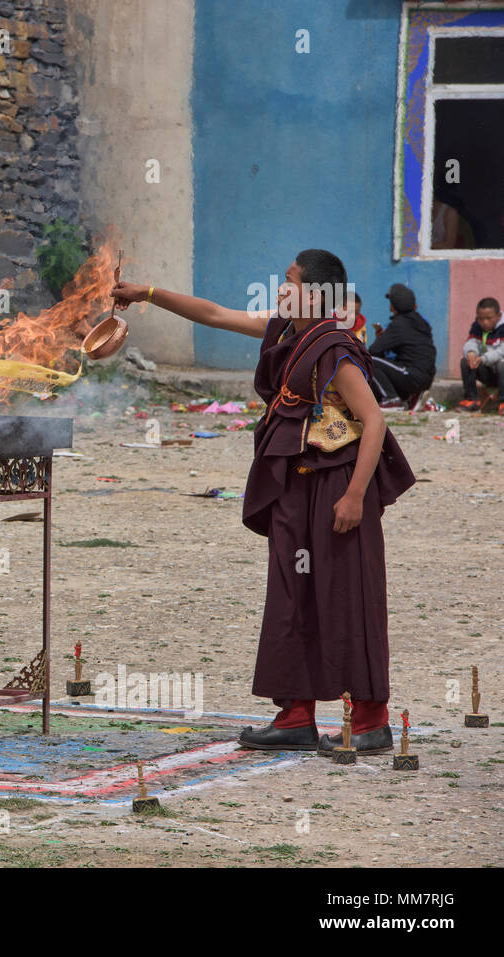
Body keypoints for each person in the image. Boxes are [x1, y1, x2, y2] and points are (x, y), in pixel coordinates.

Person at [111, 249, 415, 754]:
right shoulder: (284, 332)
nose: (281, 290)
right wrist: (145, 294)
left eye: (291, 282)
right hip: (294, 486)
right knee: (291, 596)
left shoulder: (334, 349)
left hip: (337, 484)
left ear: (316, 294)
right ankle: (296, 715)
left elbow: (375, 421)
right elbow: (213, 314)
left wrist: (357, 496)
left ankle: (370, 720)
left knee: (345, 593)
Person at [367, 283, 437, 408]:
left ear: (394, 306)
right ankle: (409, 397)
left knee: (368, 360)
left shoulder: (399, 324)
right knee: (386, 364)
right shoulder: (419, 321)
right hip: (426, 376)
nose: (389, 308)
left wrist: (381, 339)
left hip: (412, 374)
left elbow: (374, 350)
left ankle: (391, 399)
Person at [458, 297, 504, 412]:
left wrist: (483, 359)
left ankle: (502, 402)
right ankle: (471, 399)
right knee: (465, 361)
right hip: (488, 372)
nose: (485, 322)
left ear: (498, 316)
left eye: (489, 318)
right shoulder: (477, 327)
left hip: (500, 370)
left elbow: (501, 352)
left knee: (502, 364)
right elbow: (471, 341)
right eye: (481, 319)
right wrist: (471, 353)